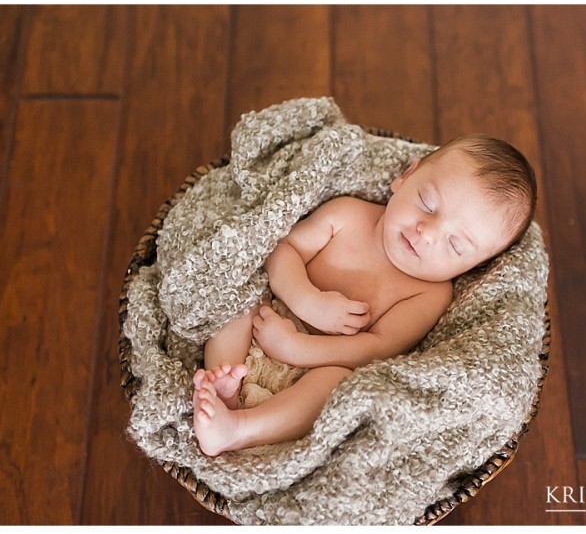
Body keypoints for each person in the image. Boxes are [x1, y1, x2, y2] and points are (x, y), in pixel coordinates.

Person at [191, 133, 537, 456]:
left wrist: (298, 348)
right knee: (239, 299)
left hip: (315, 369)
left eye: (455, 244)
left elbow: (375, 349)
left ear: (472, 267)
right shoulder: (348, 214)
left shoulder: (429, 295)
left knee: (337, 384)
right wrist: (307, 300)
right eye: (427, 204)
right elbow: (283, 249)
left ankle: (240, 428)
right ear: (406, 176)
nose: (427, 233)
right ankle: (222, 386)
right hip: (267, 320)